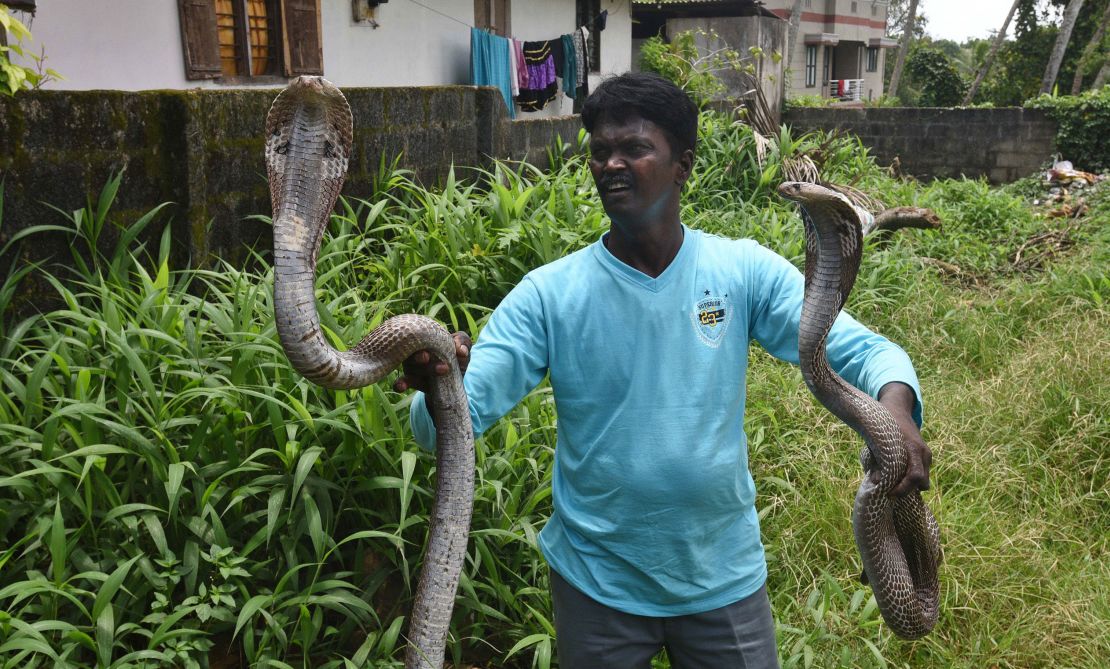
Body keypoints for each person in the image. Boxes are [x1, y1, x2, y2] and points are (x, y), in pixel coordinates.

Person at [392, 72, 931, 668]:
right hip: (597, 585)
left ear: (684, 165)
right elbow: (441, 428)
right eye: (600, 152)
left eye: (635, 149)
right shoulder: (549, 295)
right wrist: (441, 383)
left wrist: (897, 410)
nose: (611, 165)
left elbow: (866, 352)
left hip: (723, 578)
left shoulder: (742, 271)